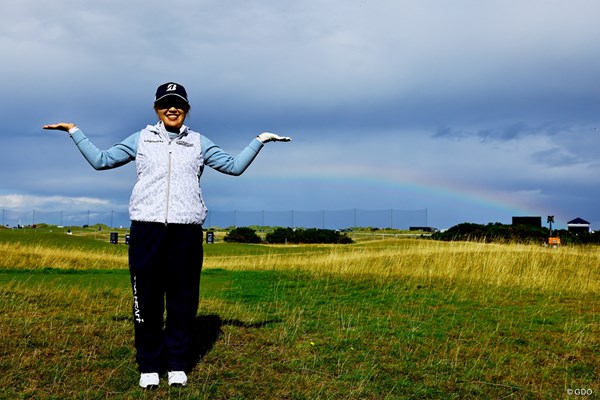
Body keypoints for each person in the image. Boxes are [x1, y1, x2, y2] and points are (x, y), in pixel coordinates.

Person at [43, 82, 291, 389]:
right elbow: (101, 161)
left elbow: (234, 167)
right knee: (146, 300)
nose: (172, 108)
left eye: (178, 104)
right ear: (156, 108)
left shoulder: (198, 142)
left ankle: (176, 363)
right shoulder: (141, 139)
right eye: (165, 103)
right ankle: (148, 364)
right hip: (147, 230)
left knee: (182, 300)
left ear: (186, 109)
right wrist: (74, 131)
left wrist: (260, 140)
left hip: (186, 232)